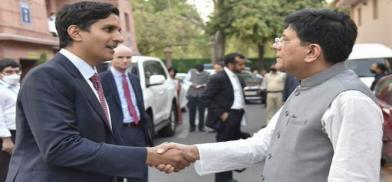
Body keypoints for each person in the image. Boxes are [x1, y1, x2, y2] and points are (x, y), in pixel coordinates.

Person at [156, 9, 383, 182]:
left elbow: (353, 178)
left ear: (312, 51)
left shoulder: (350, 100)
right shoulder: (305, 87)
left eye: (284, 39)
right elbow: (262, 145)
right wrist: (192, 151)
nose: (276, 46)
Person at [6, 2, 193, 182]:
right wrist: (148, 156)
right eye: (108, 29)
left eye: (119, 30)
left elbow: (101, 136)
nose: (119, 38)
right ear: (76, 32)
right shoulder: (47, 76)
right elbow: (61, 147)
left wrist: (148, 155)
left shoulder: (92, 76)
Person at [100, 44, 153, 182]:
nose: (125, 60)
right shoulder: (101, 80)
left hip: (137, 130)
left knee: (141, 171)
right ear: (112, 58)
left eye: (128, 57)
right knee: (121, 171)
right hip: (118, 131)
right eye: (120, 57)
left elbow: (139, 106)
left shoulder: (134, 79)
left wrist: (146, 135)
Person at [200, 53, 246, 182]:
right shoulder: (218, 78)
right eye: (240, 64)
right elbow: (205, 97)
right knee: (223, 151)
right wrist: (221, 113)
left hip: (237, 116)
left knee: (233, 149)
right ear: (231, 65)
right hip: (227, 118)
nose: (243, 66)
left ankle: (228, 177)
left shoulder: (237, 77)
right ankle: (222, 179)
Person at [0, 59, 20, 182]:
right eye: (9, 72)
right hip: (7, 134)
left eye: (16, 71)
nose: (14, 74)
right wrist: (6, 139)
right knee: (5, 168)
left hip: (18, 131)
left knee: (16, 165)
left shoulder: (18, 86)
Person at [185, 64, 209, 132]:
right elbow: (186, 80)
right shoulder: (191, 72)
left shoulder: (207, 73)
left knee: (202, 111)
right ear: (195, 69)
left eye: (201, 71)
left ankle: (201, 127)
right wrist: (192, 84)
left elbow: (208, 82)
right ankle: (192, 127)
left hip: (202, 94)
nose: (200, 73)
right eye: (198, 71)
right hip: (192, 94)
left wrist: (203, 85)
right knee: (192, 111)